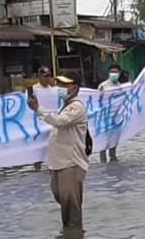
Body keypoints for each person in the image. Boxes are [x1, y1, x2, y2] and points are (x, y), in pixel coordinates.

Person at [28, 72, 88, 229]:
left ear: (74, 88)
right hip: (58, 164)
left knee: (70, 206)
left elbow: (60, 122)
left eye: (64, 85)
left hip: (71, 163)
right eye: (59, 85)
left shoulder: (77, 107)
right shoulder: (65, 107)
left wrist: (38, 109)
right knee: (61, 198)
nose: (60, 88)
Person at [31, 67, 63, 171]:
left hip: (51, 121)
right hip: (38, 122)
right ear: (39, 77)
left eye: (49, 76)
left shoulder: (54, 90)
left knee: (53, 145)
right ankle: (37, 168)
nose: (48, 78)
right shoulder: (33, 89)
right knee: (38, 148)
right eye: (45, 76)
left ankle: (53, 166)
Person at [96, 65, 126, 163]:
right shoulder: (103, 86)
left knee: (114, 140)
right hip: (104, 117)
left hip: (117, 117)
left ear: (120, 73)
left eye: (116, 72)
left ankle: (113, 158)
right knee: (103, 141)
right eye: (112, 71)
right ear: (108, 72)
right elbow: (97, 100)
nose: (114, 74)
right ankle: (103, 160)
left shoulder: (121, 87)